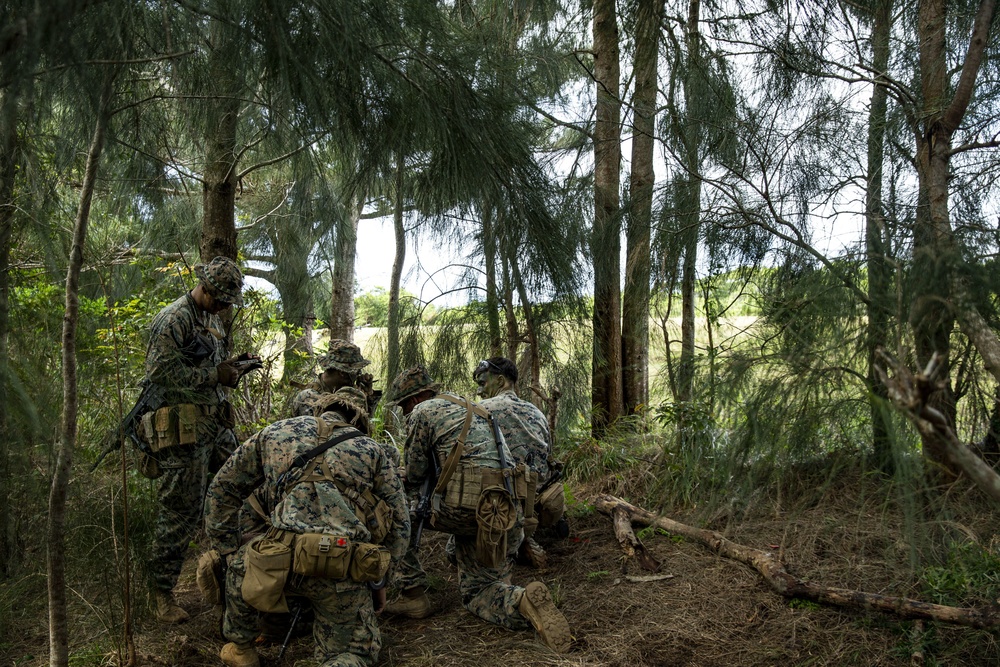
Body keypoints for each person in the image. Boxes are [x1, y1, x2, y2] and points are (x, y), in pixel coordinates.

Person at [205, 387, 410, 667]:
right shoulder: (371, 449)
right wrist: (380, 579)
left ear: (318, 410)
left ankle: (242, 648)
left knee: (243, 562)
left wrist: (228, 550)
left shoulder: (275, 432)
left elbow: (222, 487)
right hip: (339, 567)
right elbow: (400, 521)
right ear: (359, 420)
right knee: (351, 653)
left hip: (272, 564)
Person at [384, 366, 571, 653]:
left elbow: (415, 472)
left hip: (466, 509)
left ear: (414, 399)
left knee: (395, 510)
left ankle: (413, 593)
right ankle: (520, 600)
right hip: (505, 511)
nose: (405, 410)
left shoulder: (423, 412)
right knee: (481, 589)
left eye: (404, 404)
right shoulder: (475, 408)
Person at [145, 255, 257, 624]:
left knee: (243, 487)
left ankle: (240, 574)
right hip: (185, 431)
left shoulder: (209, 317)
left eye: (229, 300)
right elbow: (159, 374)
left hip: (214, 425)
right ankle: (161, 593)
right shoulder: (174, 318)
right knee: (181, 510)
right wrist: (214, 376)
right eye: (221, 298)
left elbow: (206, 363)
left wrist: (234, 365)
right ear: (205, 289)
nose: (226, 306)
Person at [473, 357, 569, 567]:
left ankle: (515, 539)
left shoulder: (481, 410)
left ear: (500, 381)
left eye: (483, 384)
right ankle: (530, 532)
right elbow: (548, 455)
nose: (480, 391)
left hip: (502, 500)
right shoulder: (537, 412)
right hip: (537, 496)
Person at [292, 340, 375, 418]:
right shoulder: (309, 397)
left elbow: (365, 425)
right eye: (357, 372)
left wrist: (367, 396)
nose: (358, 375)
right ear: (342, 372)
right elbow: (326, 429)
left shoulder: (339, 391)